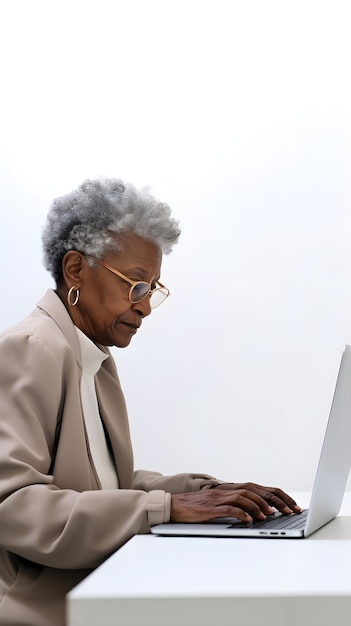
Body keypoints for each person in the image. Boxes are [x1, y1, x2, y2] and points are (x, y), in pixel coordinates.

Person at [0, 178, 300, 626]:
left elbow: (97, 487)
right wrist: (166, 508)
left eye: (153, 290)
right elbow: (15, 507)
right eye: (136, 285)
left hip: (101, 586)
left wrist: (202, 492)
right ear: (76, 270)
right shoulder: (31, 349)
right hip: (47, 608)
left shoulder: (89, 356)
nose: (144, 307)